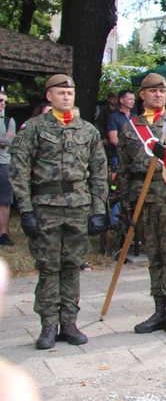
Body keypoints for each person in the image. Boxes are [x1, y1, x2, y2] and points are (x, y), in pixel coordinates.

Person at [11, 74, 108, 349]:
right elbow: (19, 172)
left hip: (78, 207)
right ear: (49, 96)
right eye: (60, 93)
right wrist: (26, 210)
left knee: (72, 266)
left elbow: (100, 172)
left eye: (70, 93)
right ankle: (47, 326)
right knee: (48, 267)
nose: (67, 97)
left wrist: (98, 208)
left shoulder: (87, 131)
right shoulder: (33, 128)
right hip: (46, 208)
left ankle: (69, 322)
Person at [116, 73, 166, 337]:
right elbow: (123, 167)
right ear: (142, 95)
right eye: (153, 91)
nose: (159, 94)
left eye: (162, 90)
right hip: (142, 200)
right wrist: (125, 203)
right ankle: (159, 310)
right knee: (154, 258)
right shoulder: (130, 127)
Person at [0, 92, 16, 246]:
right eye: (0, 100)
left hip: (4, 164)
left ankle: (3, 234)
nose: (3, 104)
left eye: (5, 101)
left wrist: (5, 141)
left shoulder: (9, 120)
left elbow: (10, 141)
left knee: (4, 201)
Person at [105, 90, 135, 167]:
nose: (133, 101)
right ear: (121, 100)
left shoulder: (135, 117)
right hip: (119, 156)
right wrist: (126, 151)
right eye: (130, 99)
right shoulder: (114, 117)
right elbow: (113, 139)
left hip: (134, 156)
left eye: (133, 99)